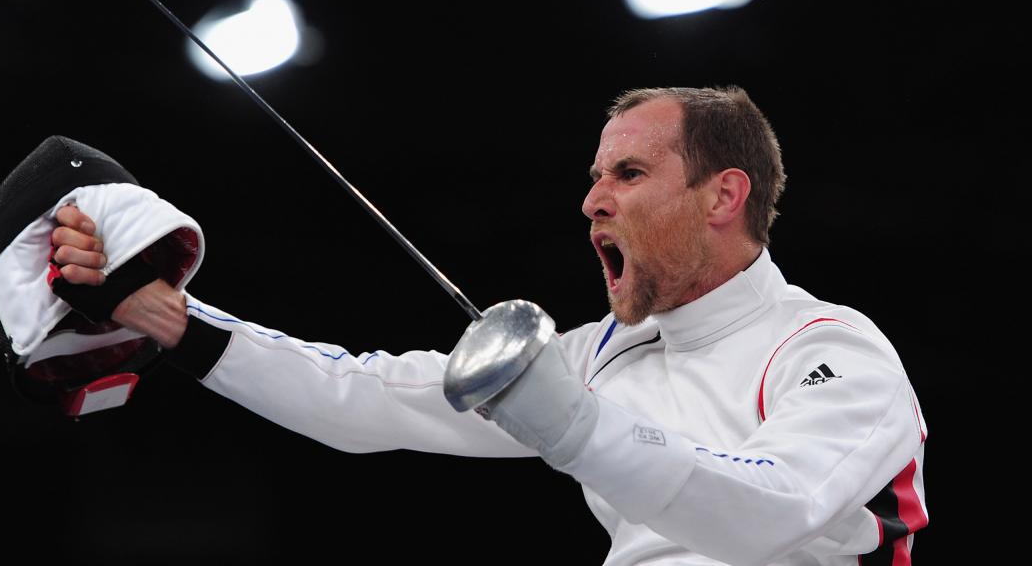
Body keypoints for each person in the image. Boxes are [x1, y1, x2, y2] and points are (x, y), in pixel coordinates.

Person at [49, 86, 928, 565]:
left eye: (627, 173)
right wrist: (174, 318)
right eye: (594, 177)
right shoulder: (595, 357)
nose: (592, 201)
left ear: (723, 195)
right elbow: (364, 395)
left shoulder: (828, 348)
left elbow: (771, 512)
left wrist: (576, 426)